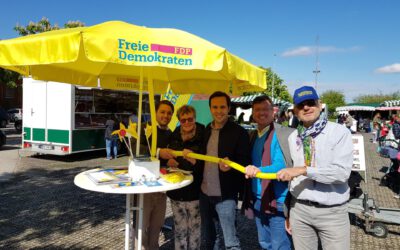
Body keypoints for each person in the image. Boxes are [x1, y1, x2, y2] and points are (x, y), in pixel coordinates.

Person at [276, 86, 353, 250]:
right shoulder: (293, 137)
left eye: (310, 102)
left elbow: (341, 173)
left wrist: (304, 170)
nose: (306, 107)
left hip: (332, 212)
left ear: (319, 105)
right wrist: (289, 212)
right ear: (295, 110)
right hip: (300, 210)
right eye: (300, 105)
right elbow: (291, 176)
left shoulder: (339, 132)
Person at [199, 91, 251, 250]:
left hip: (226, 195)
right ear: (210, 109)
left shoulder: (239, 132)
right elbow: (203, 156)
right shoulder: (207, 129)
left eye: (222, 106)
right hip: (205, 193)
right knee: (209, 239)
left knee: (231, 242)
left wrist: (231, 165)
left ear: (229, 108)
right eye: (215, 107)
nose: (218, 110)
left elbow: (245, 161)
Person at [242, 95, 293, 250]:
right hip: (257, 198)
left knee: (280, 245)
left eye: (265, 109)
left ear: (273, 112)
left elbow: (281, 165)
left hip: (276, 200)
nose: (261, 112)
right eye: (257, 109)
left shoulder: (281, 134)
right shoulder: (253, 135)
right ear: (252, 112)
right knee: (264, 242)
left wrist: (258, 170)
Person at [136, 100, 175, 250]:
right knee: (141, 224)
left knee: (157, 224)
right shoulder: (145, 129)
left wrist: (172, 160)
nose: (166, 115)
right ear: (155, 113)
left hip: (161, 187)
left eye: (169, 113)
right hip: (143, 186)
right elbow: (134, 148)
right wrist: (158, 152)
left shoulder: (171, 133)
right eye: (162, 112)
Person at [166, 105, 205, 250]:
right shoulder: (174, 135)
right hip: (177, 191)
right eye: (183, 120)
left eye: (190, 119)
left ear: (195, 119)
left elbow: (207, 161)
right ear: (179, 121)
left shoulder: (203, 134)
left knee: (195, 228)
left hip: (195, 190)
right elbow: (167, 156)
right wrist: (168, 161)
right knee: (180, 228)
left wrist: (195, 161)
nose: (187, 122)